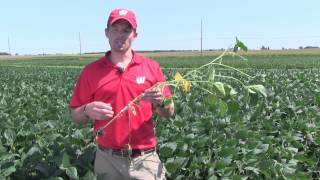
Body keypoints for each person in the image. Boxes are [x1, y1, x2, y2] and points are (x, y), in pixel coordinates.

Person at [69, 8, 174, 180]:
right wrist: (87, 110)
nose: (120, 35)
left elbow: (169, 113)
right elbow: (76, 116)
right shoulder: (91, 71)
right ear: (106, 33)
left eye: (126, 30)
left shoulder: (151, 67)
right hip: (107, 159)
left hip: (144, 159)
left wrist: (162, 102)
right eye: (115, 29)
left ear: (135, 35)